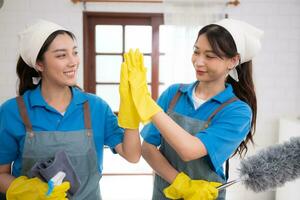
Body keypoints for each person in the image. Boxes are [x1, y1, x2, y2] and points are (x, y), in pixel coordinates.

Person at [121, 18, 263, 200]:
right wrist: (181, 183)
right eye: (196, 52)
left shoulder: (237, 112)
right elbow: (148, 148)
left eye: (210, 56)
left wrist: (146, 103)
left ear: (233, 61)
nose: (199, 62)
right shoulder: (174, 94)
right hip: (163, 194)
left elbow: (189, 150)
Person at [0, 19, 141, 200]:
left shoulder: (96, 108)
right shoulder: (13, 111)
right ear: (39, 64)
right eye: (61, 55)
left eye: (74, 52)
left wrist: (131, 109)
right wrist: (26, 189)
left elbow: (132, 155)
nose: (73, 62)